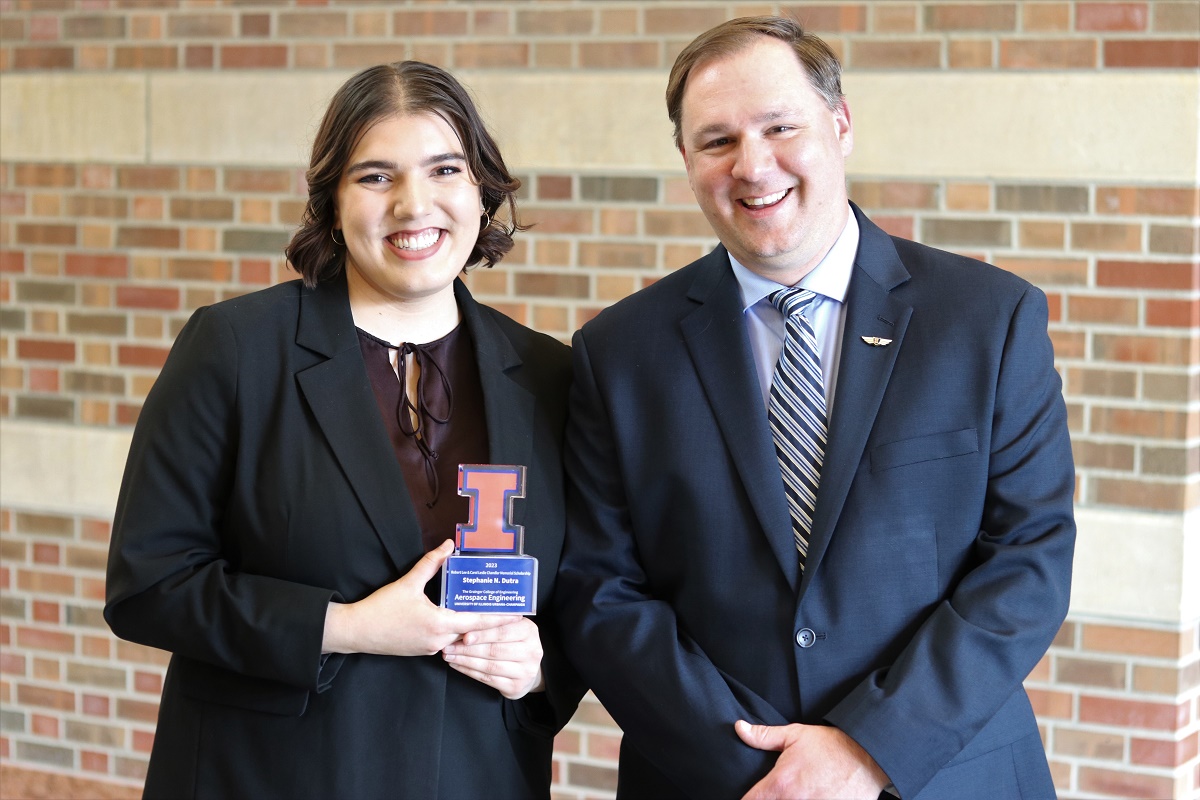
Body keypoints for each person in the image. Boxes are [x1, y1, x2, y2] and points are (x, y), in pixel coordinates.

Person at [556, 16, 1074, 800]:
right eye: (717, 140)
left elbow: (1028, 561)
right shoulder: (618, 353)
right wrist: (764, 773)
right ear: (687, 161)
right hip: (714, 781)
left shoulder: (988, 320)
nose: (753, 165)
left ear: (840, 125)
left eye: (779, 127)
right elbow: (601, 590)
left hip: (942, 776)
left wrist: (868, 750)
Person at [105, 61, 582, 799]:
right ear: (330, 202)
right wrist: (346, 625)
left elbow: (590, 595)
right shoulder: (235, 349)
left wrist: (544, 663)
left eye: (444, 169)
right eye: (375, 177)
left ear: (483, 190)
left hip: (474, 777)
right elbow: (149, 584)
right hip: (269, 775)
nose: (413, 205)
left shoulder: (550, 377)